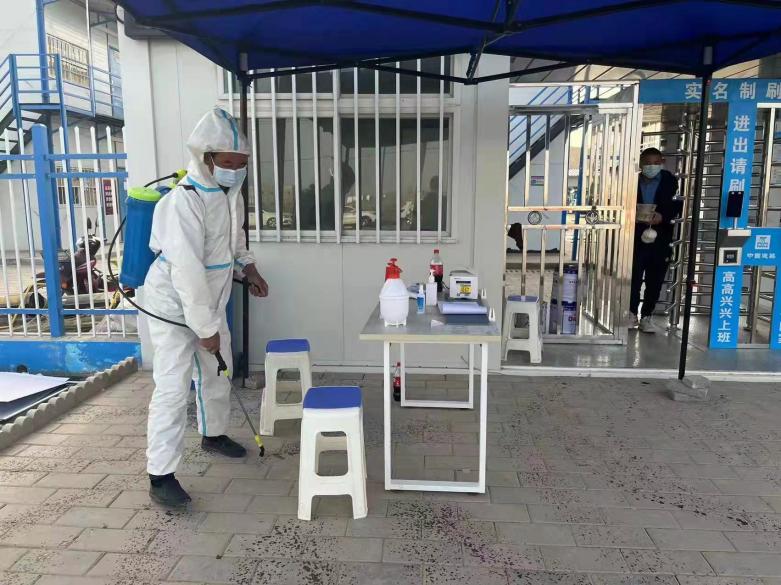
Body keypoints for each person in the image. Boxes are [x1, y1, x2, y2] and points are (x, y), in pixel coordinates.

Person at [143, 108, 269, 507]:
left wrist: (249, 268)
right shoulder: (183, 201)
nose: (235, 170)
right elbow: (187, 271)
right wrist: (205, 328)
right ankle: (160, 475)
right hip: (172, 305)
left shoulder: (230, 196)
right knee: (173, 386)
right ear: (206, 158)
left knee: (218, 371)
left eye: (241, 164)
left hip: (210, 302)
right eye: (228, 163)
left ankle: (213, 435)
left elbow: (233, 242)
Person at [630, 147, 681, 333]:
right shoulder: (632, 181)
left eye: (656, 163)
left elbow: (678, 204)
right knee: (633, 278)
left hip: (661, 238)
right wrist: (632, 215)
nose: (651, 166)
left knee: (655, 280)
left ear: (662, 162)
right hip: (635, 237)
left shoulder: (670, 181)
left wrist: (663, 216)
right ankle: (631, 314)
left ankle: (647, 316)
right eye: (647, 163)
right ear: (641, 164)